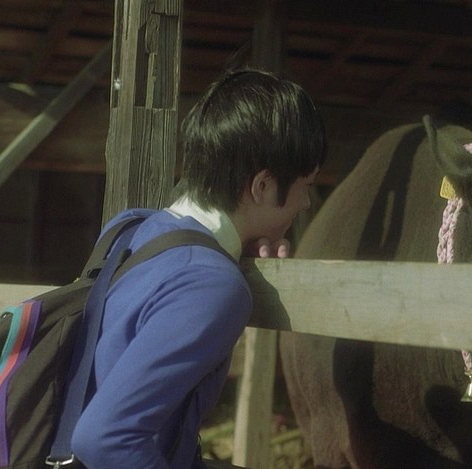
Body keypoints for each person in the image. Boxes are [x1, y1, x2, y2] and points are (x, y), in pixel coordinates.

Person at [70, 69, 326, 468]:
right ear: (262, 186)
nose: (306, 204)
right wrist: (221, 270)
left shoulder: (132, 227)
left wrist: (240, 244)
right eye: (305, 186)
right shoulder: (214, 285)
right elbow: (104, 439)